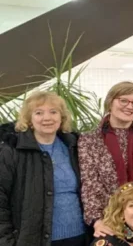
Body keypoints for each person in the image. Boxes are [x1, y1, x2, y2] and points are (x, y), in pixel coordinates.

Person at [79, 82, 133, 237]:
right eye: (123, 100)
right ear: (110, 102)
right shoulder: (89, 140)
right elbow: (90, 184)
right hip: (109, 223)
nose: (130, 106)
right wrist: (97, 221)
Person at [0, 92, 87, 246]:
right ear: (29, 119)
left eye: (53, 112)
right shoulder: (12, 150)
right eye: (39, 113)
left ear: (61, 117)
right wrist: (6, 241)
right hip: (33, 240)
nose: (47, 118)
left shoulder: (75, 147)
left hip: (79, 237)